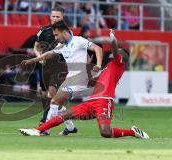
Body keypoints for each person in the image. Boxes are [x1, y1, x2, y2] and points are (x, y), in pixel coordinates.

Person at [19, 29, 149, 139]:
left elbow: (115, 51)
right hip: (91, 102)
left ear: (122, 57)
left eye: (119, 51)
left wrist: (113, 40)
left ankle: (133, 132)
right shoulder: (105, 68)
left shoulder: (118, 65)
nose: (115, 52)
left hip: (104, 101)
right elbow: (91, 81)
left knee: (105, 132)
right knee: (64, 115)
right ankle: (38, 130)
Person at [21, 20, 103, 136]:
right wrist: (34, 60)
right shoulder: (62, 45)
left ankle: (44, 130)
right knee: (57, 103)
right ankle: (70, 128)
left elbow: (97, 48)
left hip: (80, 79)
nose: (55, 37)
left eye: (56, 34)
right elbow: (50, 53)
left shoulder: (78, 40)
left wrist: (98, 65)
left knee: (54, 101)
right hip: (70, 78)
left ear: (64, 32)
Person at [33, 7, 72, 130]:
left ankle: (44, 121)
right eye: (53, 16)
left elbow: (71, 49)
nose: (55, 19)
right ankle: (70, 125)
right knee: (46, 95)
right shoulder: (44, 30)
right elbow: (36, 47)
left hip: (58, 66)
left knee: (51, 91)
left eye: (57, 17)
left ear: (62, 17)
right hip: (45, 66)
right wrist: (39, 56)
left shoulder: (67, 32)